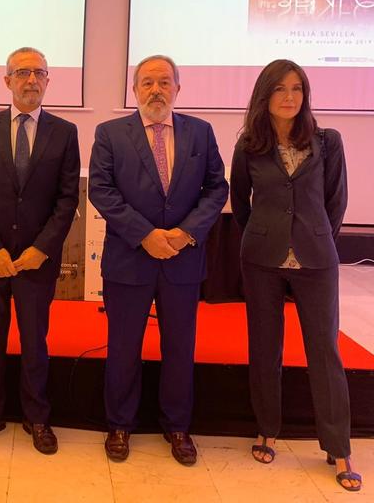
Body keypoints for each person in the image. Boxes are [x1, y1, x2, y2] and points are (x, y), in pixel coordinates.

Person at [88, 54, 228, 465]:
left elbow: (217, 189)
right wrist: (145, 235)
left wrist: (185, 233)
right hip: (129, 259)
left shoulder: (200, 133)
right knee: (123, 347)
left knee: (180, 347)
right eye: (147, 82)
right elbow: (101, 190)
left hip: (182, 259)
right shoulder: (110, 133)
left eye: (164, 82)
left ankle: (178, 426)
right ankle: (119, 425)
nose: (156, 90)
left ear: (177, 89)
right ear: (134, 90)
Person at [230, 59, 361, 491]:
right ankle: (267, 430)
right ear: (264, 95)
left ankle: (338, 447)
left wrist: (314, 234)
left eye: (297, 88)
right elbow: (241, 203)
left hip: (315, 258)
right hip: (262, 259)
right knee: (265, 348)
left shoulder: (327, 141)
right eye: (280, 89)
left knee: (324, 352)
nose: (289, 97)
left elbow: (335, 201)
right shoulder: (249, 144)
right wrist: (266, 233)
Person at [0, 47, 80, 455]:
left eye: (39, 73)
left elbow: (67, 198)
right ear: (7, 80)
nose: (31, 80)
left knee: (34, 340)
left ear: (48, 80)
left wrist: (42, 249)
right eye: (23, 72)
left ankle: (37, 417)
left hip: (36, 261)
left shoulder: (65, 132)